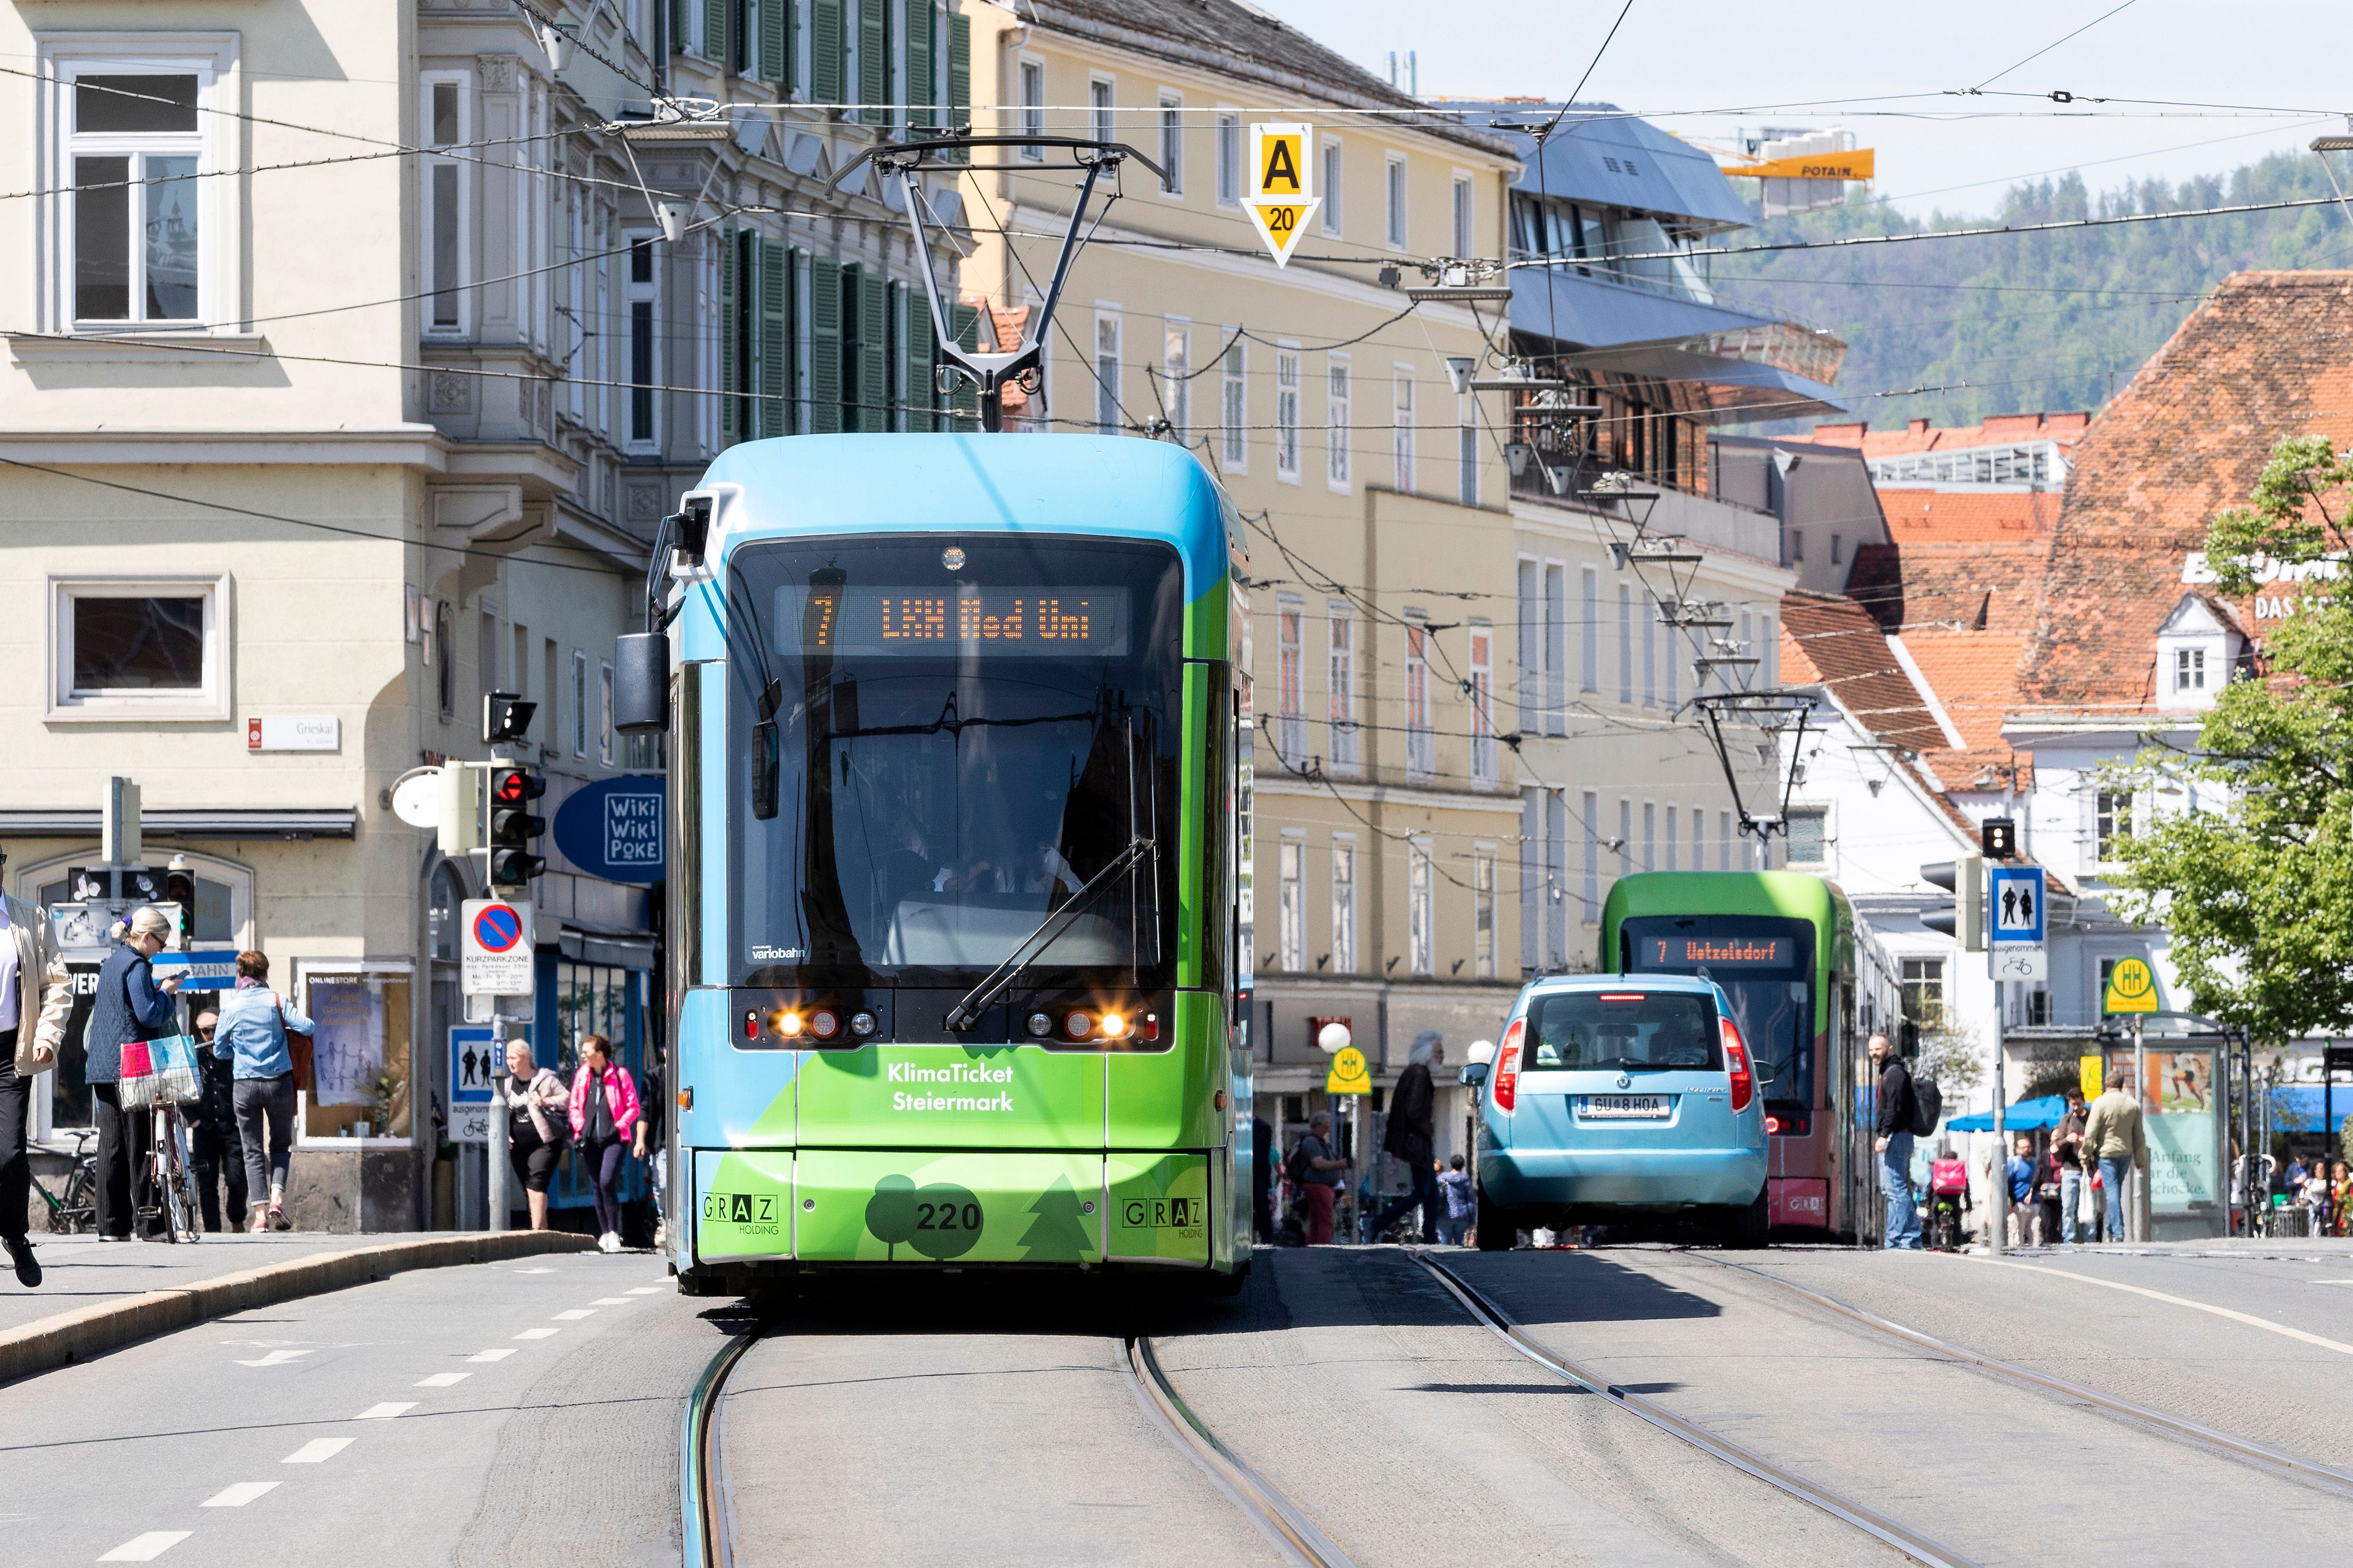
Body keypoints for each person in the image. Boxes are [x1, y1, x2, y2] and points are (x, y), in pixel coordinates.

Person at [86, 907, 185, 1242]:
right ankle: (150, 1224)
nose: (161, 949)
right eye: (161, 942)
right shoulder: (137, 964)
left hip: (102, 1067)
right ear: (145, 937)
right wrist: (167, 994)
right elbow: (149, 1015)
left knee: (111, 1145)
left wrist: (153, 990)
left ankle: (110, 1227)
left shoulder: (113, 963)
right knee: (141, 1144)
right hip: (131, 1067)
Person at [1, 844, 73, 1287]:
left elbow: (57, 983)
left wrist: (47, 1037)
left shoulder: (29, 918)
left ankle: (14, 1234)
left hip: (10, 1055)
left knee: (9, 1156)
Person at [212, 951, 311, 1232]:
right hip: (278, 1083)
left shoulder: (232, 1007)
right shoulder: (276, 1001)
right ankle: (277, 1198)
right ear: (265, 974)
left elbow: (219, 1050)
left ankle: (260, 1216)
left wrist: (240, 1051)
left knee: (251, 1150)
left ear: (242, 975)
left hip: (244, 1085)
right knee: (280, 1145)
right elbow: (308, 1026)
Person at [1364, 1032, 1443, 1243]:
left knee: (1431, 1194)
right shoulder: (1419, 1074)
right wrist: (1428, 1129)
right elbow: (1414, 1110)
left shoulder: (1414, 1072)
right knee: (1421, 1193)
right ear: (1427, 1053)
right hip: (1418, 1142)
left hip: (1418, 1140)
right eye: (1439, 1052)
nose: (1442, 1056)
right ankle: (1379, 1222)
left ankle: (1429, 1238)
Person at [569, 1035, 641, 1252]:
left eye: (586, 1052)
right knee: (597, 1186)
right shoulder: (583, 1075)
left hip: (615, 1139)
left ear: (599, 1054)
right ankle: (604, 1232)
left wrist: (620, 1124)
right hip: (589, 1139)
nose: (583, 1056)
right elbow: (574, 1105)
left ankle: (613, 1231)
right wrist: (579, 1127)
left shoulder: (619, 1074)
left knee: (607, 1180)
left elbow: (634, 1106)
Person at [183, 1009, 248, 1234]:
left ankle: (237, 1219)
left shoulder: (234, 1053)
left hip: (232, 1127)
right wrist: (193, 1121)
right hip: (205, 1129)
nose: (211, 1035)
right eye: (205, 1031)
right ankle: (213, 1231)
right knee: (207, 1184)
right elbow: (181, 1090)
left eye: (215, 1029)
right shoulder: (195, 1058)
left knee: (237, 1179)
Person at [503, 1040, 569, 1231]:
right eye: (508, 1058)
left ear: (526, 1057)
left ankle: (536, 1233)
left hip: (545, 1143)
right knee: (528, 1189)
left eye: (514, 1058)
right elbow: (502, 1114)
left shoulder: (545, 1080)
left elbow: (567, 1099)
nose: (510, 1062)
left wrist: (546, 1101)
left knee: (536, 1183)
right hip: (518, 1146)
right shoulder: (507, 1085)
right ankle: (544, 1233)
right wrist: (505, 1134)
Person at [1869, 1032, 1923, 1249]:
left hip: (1895, 1138)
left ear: (1889, 1049)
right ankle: (1905, 1237)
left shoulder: (1894, 1074)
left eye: (1878, 1049)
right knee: (1892, 1191)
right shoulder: (1891, 1072)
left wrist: (1884, 1135)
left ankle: (1904, 1237)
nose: (1874, 1053)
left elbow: (1894, 1108)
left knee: (1896, 1190)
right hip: (1899, 1137)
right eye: (1871, 1049)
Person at [2082, 1070, 2148, 1242]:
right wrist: (2140, 1158)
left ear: (2107, 1084)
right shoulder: (2133, 1104)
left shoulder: (2101, 1103)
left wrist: (2085, 1155)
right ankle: (2110, 1229)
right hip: (2126, 1154)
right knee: (2115, 1191)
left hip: (2107, 1154)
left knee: (2111, 1192)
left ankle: (2118, 1232)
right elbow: (2139, 1134)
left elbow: (2090, 1132)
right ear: (2121, 1084)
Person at [1288, 1111, 1348, 1245]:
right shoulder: (1312, 1142)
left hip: (1321, 1186)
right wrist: (1339, 1164)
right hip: (1318, 1186)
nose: (1328, 1129)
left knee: (1316, 1220)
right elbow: (1318, 1164)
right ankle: (1323, 1248)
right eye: (1326, 1126)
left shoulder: (1320, 1142)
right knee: (1326, 1220)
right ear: (1318, 1125)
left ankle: (1314, 1247)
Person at [634, 1055, 666, 1249]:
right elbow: (644, 1110)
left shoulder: (690, 1073)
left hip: (684, 1139)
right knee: (662, 1183)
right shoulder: (653, 1077)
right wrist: (640, 1141)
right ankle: (664, 1220)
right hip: (660, 1142)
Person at [2052, 1089, 2089, 1244]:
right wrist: (2068, 1139)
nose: (2075, 1107)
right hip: (2070, 1169)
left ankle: (2090, 1239)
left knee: (2088, 1207)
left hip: (2088, 1169)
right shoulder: (2066, 1120)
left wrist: (2086, 1142)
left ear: (2083, 1102)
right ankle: (2069, 1239)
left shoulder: (2091, 1118)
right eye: (2073, 1104)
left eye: (2078, 1104)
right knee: (2068, 1207)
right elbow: (2057, 1143)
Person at [2006, 1134, 2038, 1248]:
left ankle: (2035, 1252)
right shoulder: (2013, 1163)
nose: (2026, 1149)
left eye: (2028, 1147)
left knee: (2035, 1232)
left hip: (2035, 1202)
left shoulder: (2035, 1163)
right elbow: (2007, 1182)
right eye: (2023, 1147)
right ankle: (2018, 1253)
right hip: (2019, 1203)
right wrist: (2011, 1202)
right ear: (2017, 1149)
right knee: (2018, 1231)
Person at [1437, 1153, 1475, 1246]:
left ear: (1451, 1165)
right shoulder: (1466, 1180)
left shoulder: (1442, 1178)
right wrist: (1472, 1220)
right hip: (1462, 1216)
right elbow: (1471, 1201)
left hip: (1444, 1215)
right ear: (1463, 1166)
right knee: (1459, 1243)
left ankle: (1445, 1259)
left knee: (1445, 1245)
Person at [1250, 1113, 1274, 1245]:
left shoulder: (1261, 1127)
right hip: (1258, 1171)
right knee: (1261, 1208)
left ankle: (1266, 1239)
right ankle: (1266, 1239)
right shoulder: (1261, 1127)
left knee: (1261, 1208)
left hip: (1257, 1171)